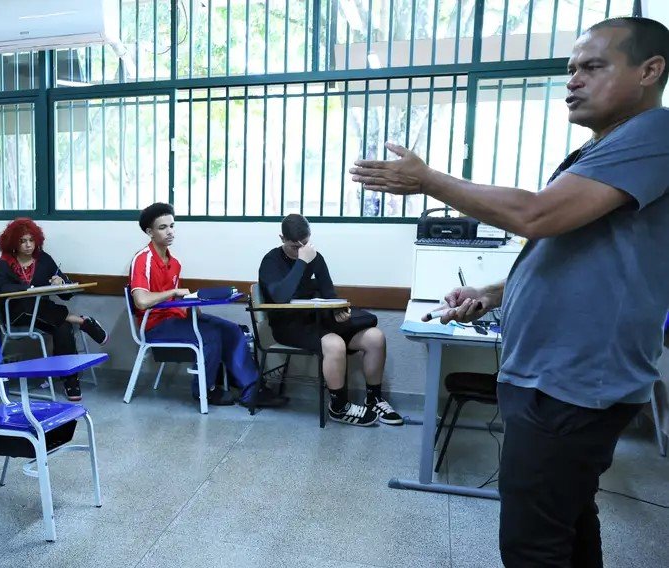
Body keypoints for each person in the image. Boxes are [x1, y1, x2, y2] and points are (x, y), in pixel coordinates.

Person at [349, 17, 669, 567]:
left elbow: (537, 215)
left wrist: (429, 181)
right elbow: (574, 251)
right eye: (571, 69)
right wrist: (494, 293)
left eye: (592, 67)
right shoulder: (606, 149)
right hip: (555, 376)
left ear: (650, 71)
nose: (572, 81)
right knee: (568, 522)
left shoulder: (653, 135)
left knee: (531, 544)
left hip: (572, 383)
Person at [128, 203, 280, 408]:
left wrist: (192, 306)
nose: (170, 231)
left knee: (231, 330)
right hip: (155, 326)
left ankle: (252, 389)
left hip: (175, 318)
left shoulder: (174, 263)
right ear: (150, 232)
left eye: (172, 226)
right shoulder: (143, 259)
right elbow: (141, 301)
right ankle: (205, 391)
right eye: (162, 227)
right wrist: (173, 292)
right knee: (210, 335)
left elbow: (172, 301)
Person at [257, 214, 402, 426]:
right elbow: (280, 296)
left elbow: (329, 293)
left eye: (305, 244)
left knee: (375, 338)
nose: (301, 250)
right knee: (335, 344)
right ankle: (339, 407)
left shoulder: (316, 258)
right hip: (287, 325)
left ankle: (374, 399)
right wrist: (302, 262)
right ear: (282, 238)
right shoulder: (271, 261)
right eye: (294, 247)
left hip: (317, 321)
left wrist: (338, 311)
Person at [0, 217, 108, 402]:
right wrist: (28, 289)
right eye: (23, 241)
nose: (28, 245)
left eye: (31, 240)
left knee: (63, 327)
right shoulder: (4, 262)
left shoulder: (43, 259)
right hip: (15, 314)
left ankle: (70, 379)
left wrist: (60, 281)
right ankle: (81, 320)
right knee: (28, 302)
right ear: (13, 242)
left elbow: (66, 293)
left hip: (45, 315)